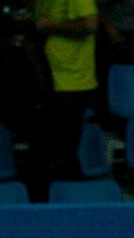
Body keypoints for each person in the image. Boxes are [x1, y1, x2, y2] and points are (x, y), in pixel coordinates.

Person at [34, 0, 98, 184]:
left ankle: (68, 194)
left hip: (73, 81)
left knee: (64, 150)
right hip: (52, 77)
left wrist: (50, 26)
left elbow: (89, 24)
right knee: (52, 148)